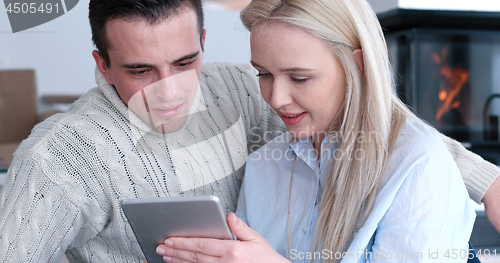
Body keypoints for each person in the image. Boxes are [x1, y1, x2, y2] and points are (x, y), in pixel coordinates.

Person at [0, 0, 498, 262]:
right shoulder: (59, 159)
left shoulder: (240, 90)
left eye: (184, 61)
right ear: (103, 66)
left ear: (203, 40)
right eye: (140, 71)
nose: (170, 92)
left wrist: (487, 180)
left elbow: (373, 120)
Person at [154, 0, 493, 262]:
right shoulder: (263, 167)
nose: (276, 98)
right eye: (264, 74)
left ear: (357, 66)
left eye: (299, 77)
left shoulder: (418, 166)